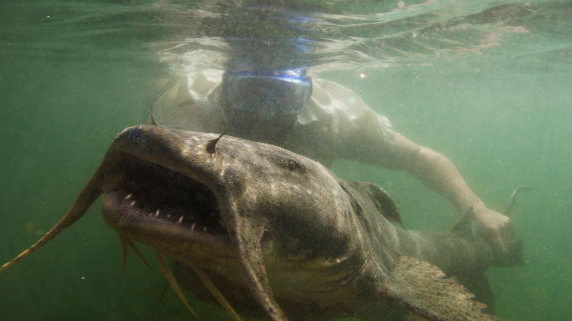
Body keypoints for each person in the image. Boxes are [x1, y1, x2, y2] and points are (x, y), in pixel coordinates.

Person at [153, 60, 511, 255]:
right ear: (225, 89)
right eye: (250, 92)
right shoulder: (189, 108)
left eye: (286, 96)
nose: (268, 112)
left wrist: (476, 208)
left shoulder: (338, 116)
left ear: (307, 91)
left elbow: (419, 157)